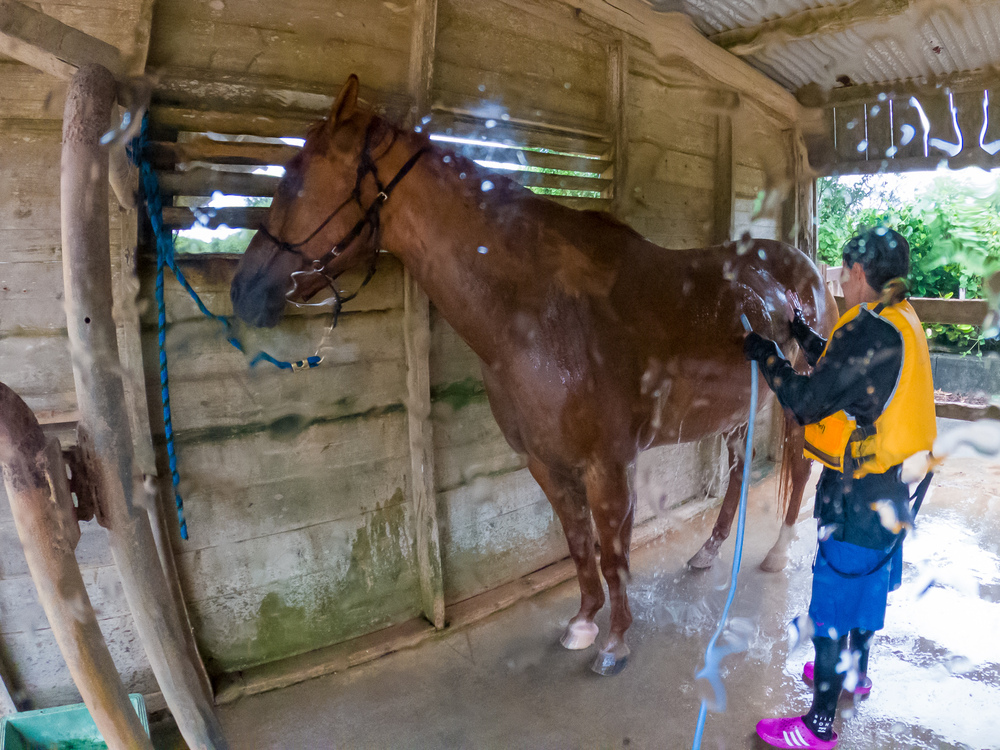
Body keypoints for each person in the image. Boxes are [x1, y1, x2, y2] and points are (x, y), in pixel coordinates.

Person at [742, 227, 937, 749]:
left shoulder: (870, 328)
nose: (842, 289)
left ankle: (818, 726)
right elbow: (851, 366)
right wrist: (804, 334)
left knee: (830, 606)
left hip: (857, 497)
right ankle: (855, 676)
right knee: (867, 591)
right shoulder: (900, 317)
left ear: (856, 273)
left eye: (843, 277)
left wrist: (767, 356)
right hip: (894, 493)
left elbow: (806, 401)